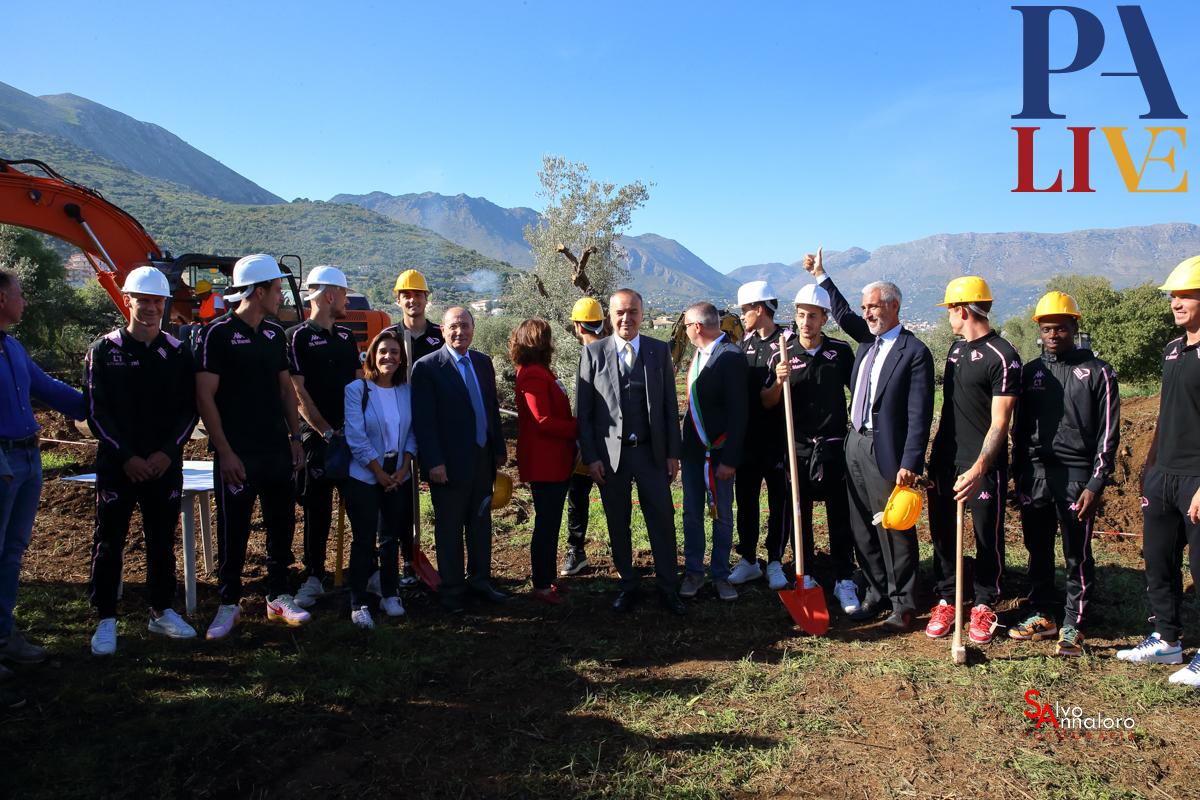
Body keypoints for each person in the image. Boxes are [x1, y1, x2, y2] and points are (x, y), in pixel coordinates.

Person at [806, 250, 935, 631]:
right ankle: (877, 591)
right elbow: (844, 314)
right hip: (855, 444)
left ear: (894, 306)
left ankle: (904, 603)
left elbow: (919, 414)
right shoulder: (867, 341)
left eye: (874, 307)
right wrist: (821, 277)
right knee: (861, 524)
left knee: (893, 527)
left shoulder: (914, 352)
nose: (868, 314)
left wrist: (910, 462)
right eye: (865, 308)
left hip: (889, 452)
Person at [84, 267, 199, 655]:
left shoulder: (178, 351)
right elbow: (98, 413)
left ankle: (161, 610)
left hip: (165, 466)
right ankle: (105, 617)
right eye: (143, 300)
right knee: (109, 541)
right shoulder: (104, 350)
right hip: (119, 466)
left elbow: (190, 411)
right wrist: (128, 457)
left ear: (165, 305)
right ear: (127, 300)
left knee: (162, 541)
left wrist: (167, 452)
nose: (150, 308)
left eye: (157, 301)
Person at [194, 254, 309, 639]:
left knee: (282, 522)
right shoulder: (217, 333)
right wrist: (224, 450)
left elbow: (285, 389)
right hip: (237, 452)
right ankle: (229, 602)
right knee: (234, 529)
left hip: (276, 448)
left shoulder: (276, 333)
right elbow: (205, 396)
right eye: (277, 291)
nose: (282, 297)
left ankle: (278, 595)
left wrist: (295, 439)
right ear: (258, 291)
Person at [1012, 291, 1119, 657]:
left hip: (1077, 477)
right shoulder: (1030, 372)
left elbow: (1109, 433)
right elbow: (1019, 428)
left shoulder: (1099, 372)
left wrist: (1095, 482)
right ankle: (1043, 613)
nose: (1053, 335)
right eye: (1046, 328)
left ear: (1074, 327)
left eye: (1060, 327)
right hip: (1036, 474)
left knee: (1077, 553)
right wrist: (1019, 473)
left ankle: (1074, 623)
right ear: (1039, 331)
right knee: (1037, 548)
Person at [0, 268, 85, 706]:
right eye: (19, 295)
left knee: (12, 551)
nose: (25, 302)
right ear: (0, 299)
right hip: (2, 459)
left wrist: (97, 399)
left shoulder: (12, 347)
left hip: (28, 457)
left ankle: (3, 633)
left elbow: (48, 388)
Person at [1117, 255, 1200, 686]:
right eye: (1173, 295)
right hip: (1162, 474)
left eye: (1185, 294)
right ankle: (1167, 640)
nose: (1175, 302)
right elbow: (1168, 415)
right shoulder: (1173, 349)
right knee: (1158, 561)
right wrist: (1150, 469)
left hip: (1197, 478)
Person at [576, 289, 685, 615]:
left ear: (642, 312)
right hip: (611, 458)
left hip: (651, 454)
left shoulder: (658, 350)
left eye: (633, 312)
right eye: (620, 312)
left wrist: (672, 454)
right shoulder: (594, 354)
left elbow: (669, 406)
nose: (626, 318)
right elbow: (584, 413)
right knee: (617, 522)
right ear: (610, 315)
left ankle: (668, 587)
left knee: (663, 520)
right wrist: (591, 457)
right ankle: (628, 585)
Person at [925, 276, 1021, 645]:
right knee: (943, 532)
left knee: (986, 536)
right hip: (945, 459)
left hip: (982, 465)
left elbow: (1000, 422)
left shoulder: (1004, 355)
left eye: (949, 309)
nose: (948, 316)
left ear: (961, 309)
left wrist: (980, 467)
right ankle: (949, 598)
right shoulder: (954, 350)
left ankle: (984, 603)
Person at [765, 282, 859, 613]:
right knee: (799, 513)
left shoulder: (841, 352)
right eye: (802, 315)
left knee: (839, 516)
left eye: (814, 317)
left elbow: (859, 394)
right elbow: (766, 402)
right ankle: (805, 577)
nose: (806, 323)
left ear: (825, 319)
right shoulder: (782, 353)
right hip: (797, 448)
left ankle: (844, 579)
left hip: (833, 446)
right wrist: (778, 381)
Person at [411, 307, 506, 613]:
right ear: (442, 330)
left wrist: (498, 451)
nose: (459, 332)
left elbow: (491, 409)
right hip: (448, 465)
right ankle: (452, 591)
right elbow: (424, 421)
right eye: (453, 326)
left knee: (480, 524)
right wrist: (434, 462)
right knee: (450, 529)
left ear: (473, 328)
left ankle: (480, 581)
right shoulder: (427, 367)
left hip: (482, 459)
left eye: (465, 326)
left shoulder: (482, 362)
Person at [287, 266, 362, 609]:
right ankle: (314, 575)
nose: (347, 301)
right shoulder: (298, 337)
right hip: (317, 441)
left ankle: (366, 572)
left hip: (350, 438)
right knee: (317, 510)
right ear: (330, 295)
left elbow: (359, 384)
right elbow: (298, 392)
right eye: (345, 294)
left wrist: (356, 429)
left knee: (360, 506)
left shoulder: (347, 338)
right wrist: (327, 431)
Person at [343, 330, 417, 628]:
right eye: (383, 351)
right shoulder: (356, 389)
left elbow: (413, 432)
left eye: (395, 352)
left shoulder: (406, 391)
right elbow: (356, 437)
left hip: (398, 473)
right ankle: (358, 601)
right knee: (363, 540)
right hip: (365, 475)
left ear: (402, 359)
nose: (389, 357)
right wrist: (379, 472)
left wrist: (403, 467)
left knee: (391, 537)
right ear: (372, 355)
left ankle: (390, 591)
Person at [679, 302, 747, 601]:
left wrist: (730, 459)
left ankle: (720, 575)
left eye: (686, 326)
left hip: (719, 454)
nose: (684, 331)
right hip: (694, 453)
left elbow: (740, 413)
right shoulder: (699, 355)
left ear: (697, 327)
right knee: (692, 513)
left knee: (721, 517)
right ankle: (694, 572)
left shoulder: (730, 357)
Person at [383, 269, 445, 587]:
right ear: (398, 299)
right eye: (406, 294)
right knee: (403, 499)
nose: (412, 299)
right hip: (400, 428)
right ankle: (408, 559)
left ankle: (447, 559)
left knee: (441, 493)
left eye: (417, 294)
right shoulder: (390, 338)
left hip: (434, 427)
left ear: (425, 298)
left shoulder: (439, 335)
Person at [511, 319, 577, 604]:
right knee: (546, 524)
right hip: (545, 461)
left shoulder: (539, 372)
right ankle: (540, 584)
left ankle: (547, 577)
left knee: (551, 522)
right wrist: (579, 427)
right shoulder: (534, 375)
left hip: (553, 460)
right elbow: (543, 420)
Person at [730, 281, 790, 590]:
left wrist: (779, 383)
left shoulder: (786, 343)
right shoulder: (745, 345)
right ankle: (749, 559)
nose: (742, 316)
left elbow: (769, 399)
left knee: (779, 500)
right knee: (747, 500)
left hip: (778, 440)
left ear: (759, 309)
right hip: (748, 439)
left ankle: (776, 560)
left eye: (744, 310)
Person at [562, 296, 606, 577]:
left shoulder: (588, 355)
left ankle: (575, 551)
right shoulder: (614, 351)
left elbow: (584, 407)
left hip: (588, 444)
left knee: (577, 498)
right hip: (614, 444)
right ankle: (623, 554)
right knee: (616, 501)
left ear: (578, 326)